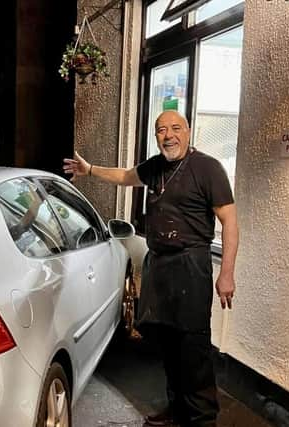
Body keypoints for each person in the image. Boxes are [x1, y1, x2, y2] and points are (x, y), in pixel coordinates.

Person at [63, 110, 238, 427]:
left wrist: (226, 273)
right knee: (168, 343)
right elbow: (125, 176)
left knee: (192, 346)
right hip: (160, 264)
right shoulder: (156, 167)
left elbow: (230, 222)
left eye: (175, 128)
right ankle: (177, 411)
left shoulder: (208, 168)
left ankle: (202, 419)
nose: (168, 135)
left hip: (191, 264)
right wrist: (89, 170)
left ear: (188, 131)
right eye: (161, 130)